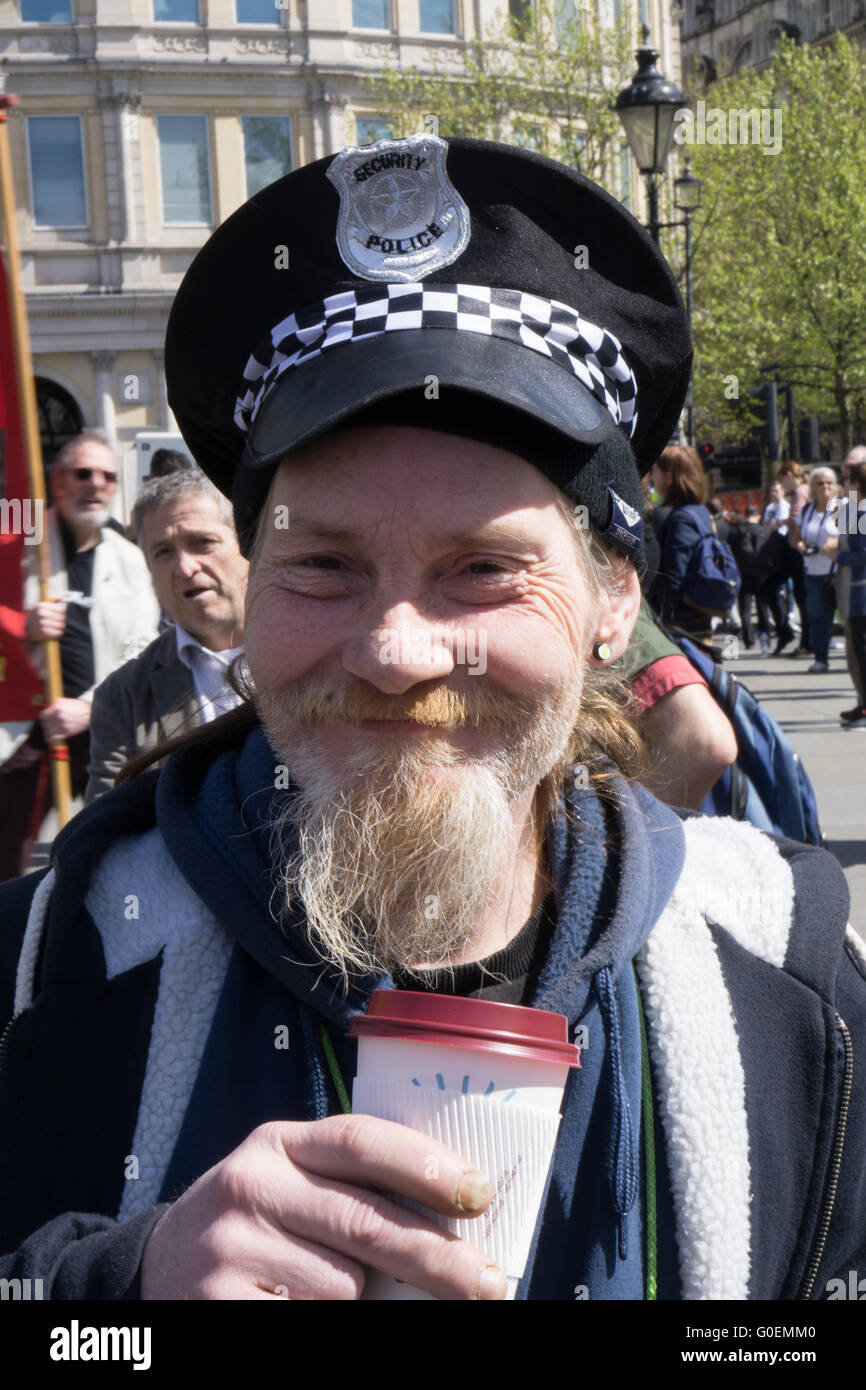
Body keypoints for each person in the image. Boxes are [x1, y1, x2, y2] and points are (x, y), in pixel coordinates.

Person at [0, 136, 863, 1303]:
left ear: (614, 597)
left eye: (480, 568)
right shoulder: (51, 971)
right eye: (321, 566)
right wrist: (114, 1297)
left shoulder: (783, 972)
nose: (396, 653)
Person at [0, 430, 160, 881]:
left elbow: (140, 647)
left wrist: (88, 707)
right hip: (23, 732)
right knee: (10, 859)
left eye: (107, 476)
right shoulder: (14, 550)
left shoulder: (130, 560)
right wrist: (21, 627)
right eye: (82, 473)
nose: (96, 484)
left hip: (100, 728)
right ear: (58, 482)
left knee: (101, 851)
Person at [85, 469, 249, 802]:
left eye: (202, 543)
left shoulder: (319, 657)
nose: (185, 567)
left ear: (245, 544)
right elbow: (103, 828)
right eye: (163, 553)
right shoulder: (124, 698)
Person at [647, 445, 734, 633]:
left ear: (669, 477)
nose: (652, 478)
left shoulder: (682, 518)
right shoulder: (700, 511)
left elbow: (675, 576)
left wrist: (664, 624)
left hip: (683, 623)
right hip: (698, 616)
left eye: (655, 471)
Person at [788, 466, 840, 673]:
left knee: (853, 619)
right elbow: (794, 536)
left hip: (838, 572)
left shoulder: (841, 507)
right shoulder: (807, 510)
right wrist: (800, 546)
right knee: (818, 617)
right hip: (813, 573)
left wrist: (834, 544)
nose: (825, 486)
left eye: (829, 482)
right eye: (820, 483)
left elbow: (852, 540)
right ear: (813, 488)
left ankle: (856, 661)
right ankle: (821, 659)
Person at [835, 459, 866, 727]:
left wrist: (841, 556)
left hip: (860, 591)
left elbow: (861, 553)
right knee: (857, 651)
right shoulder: (851, 508)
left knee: (861, 650)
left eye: (848, 480)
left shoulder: (861, 511)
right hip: (852, 590)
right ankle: (862, 704)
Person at [777, 461, 811, 654]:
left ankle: (807, 641)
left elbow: (795, 520)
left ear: (789, 474)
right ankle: (808, 640)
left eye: (782, 479)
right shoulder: (806, 489)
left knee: (801, 596)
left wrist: (778, 522)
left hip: (798, 549)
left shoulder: (800, 492)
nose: (782, 484)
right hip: (803, 549)